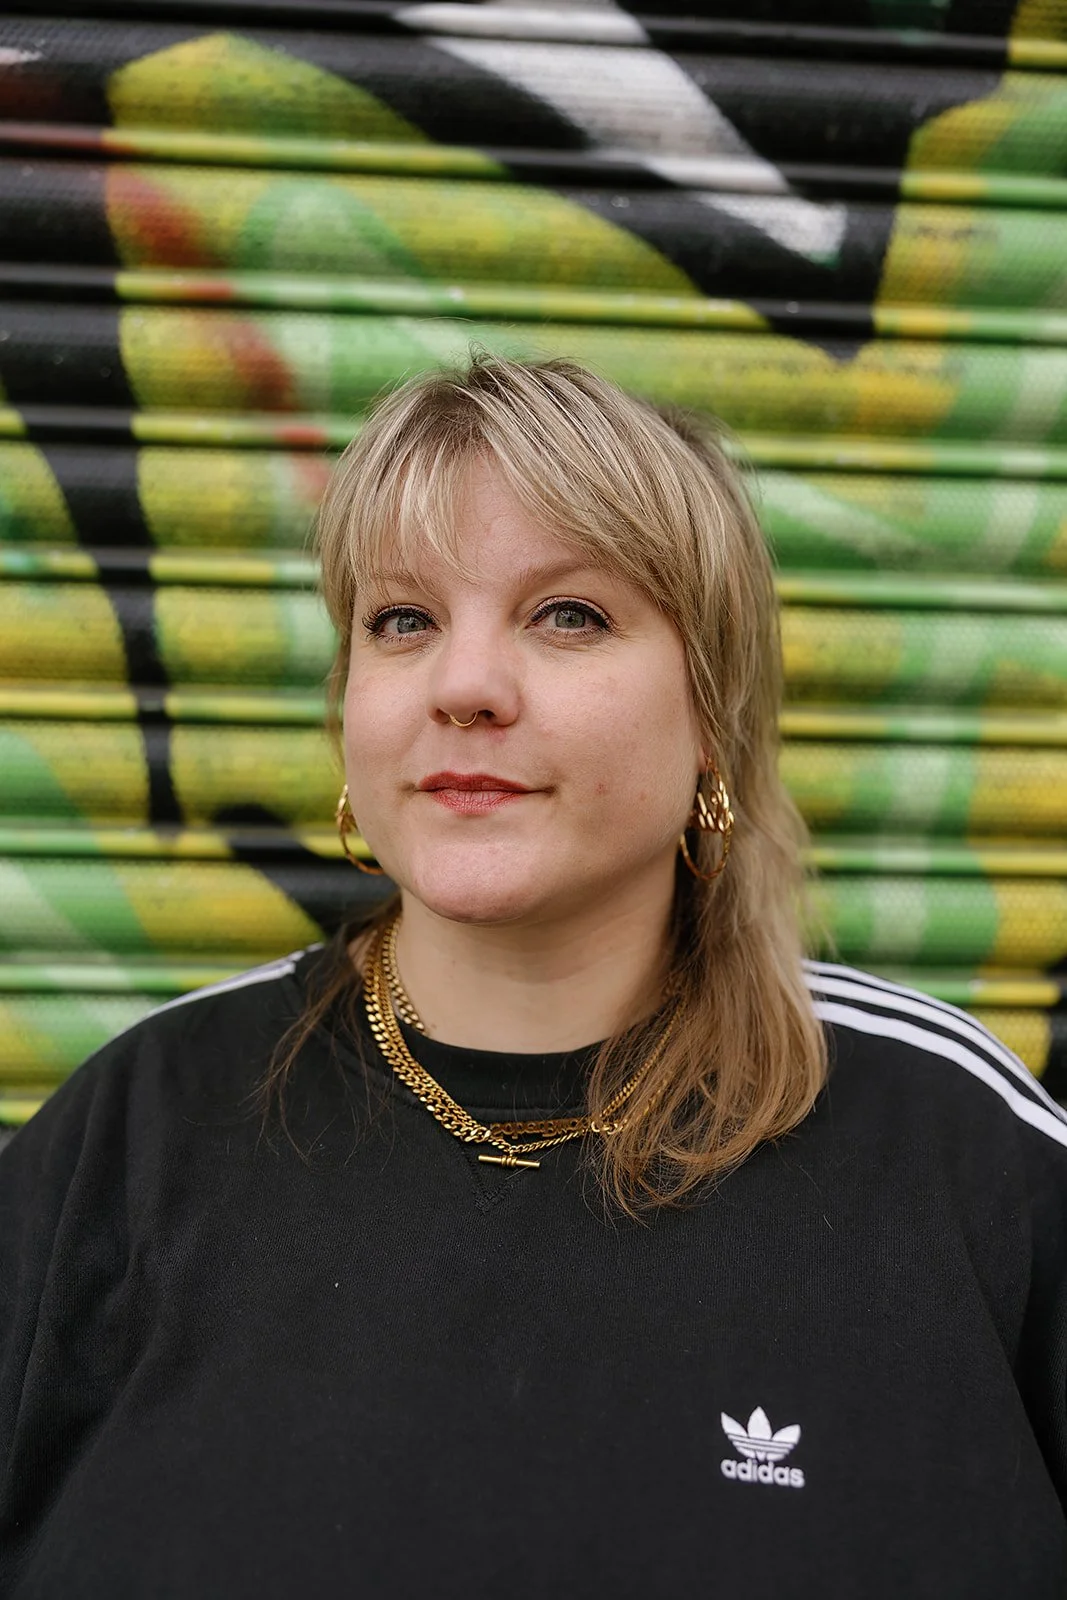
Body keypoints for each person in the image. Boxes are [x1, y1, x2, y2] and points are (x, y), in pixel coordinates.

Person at [1, 356, 1065, 1599]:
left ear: (710, 708)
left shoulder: (959, 1154)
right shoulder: (130, 1138)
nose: (462, 686)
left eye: (567, 614)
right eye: (402, 620)